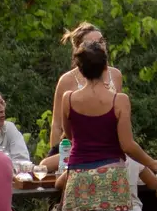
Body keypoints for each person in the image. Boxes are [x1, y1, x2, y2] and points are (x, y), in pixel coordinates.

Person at [58, 42, 157, 211]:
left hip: (80, 172)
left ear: (79, 68)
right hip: (112, 174)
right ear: (106, 66)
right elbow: (127, 144)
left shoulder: (69, 99)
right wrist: (152, 162)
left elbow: (69, 135)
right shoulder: (119, 100)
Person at [51, 23, 124, 151]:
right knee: (45, 164)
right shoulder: (66, 80)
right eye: (93, 43)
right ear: (79, 49)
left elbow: (120, 119)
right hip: (76, 147)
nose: (100, 46)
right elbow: (57, 125)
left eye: (101, 41)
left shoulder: (116, 75)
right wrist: (56, 152)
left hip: (109, 145)